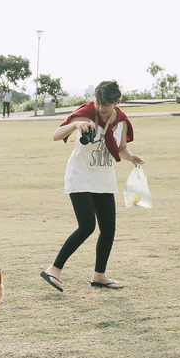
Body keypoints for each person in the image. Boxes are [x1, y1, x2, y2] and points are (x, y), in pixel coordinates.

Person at [40, 80, 145, 292]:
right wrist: (76, 125)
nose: (101, 108)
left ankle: (99, 275)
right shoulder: (86, 112)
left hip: (104, 178)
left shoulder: (122, 121)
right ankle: (54, 269)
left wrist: (131, 157)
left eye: (106, 104)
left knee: (108, 229)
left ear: (117, 101)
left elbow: (122, 148)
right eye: (98, 102)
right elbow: (56, 135)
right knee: (87, 226)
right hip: (80, 176)